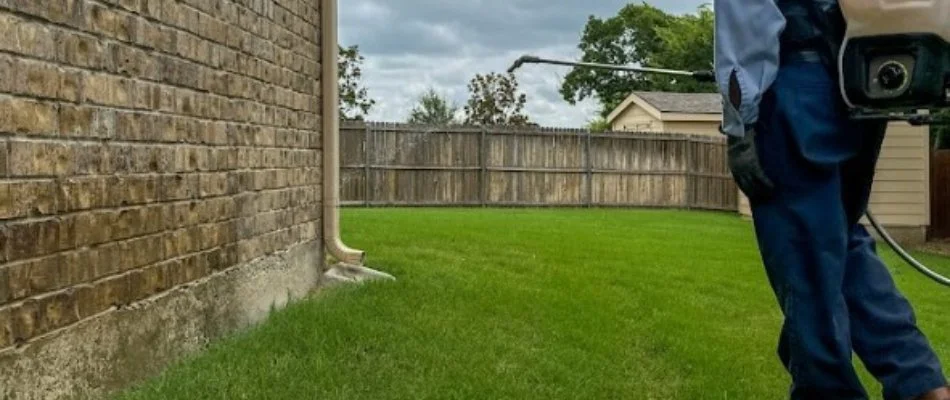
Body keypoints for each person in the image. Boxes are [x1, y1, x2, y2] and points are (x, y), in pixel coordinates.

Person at [714, 0, 949, 399]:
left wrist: (740, 120)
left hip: (796, 87)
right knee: (840, 246)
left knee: (805, 260)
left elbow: (747, 16)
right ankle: (921, 384)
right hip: (861, 83)